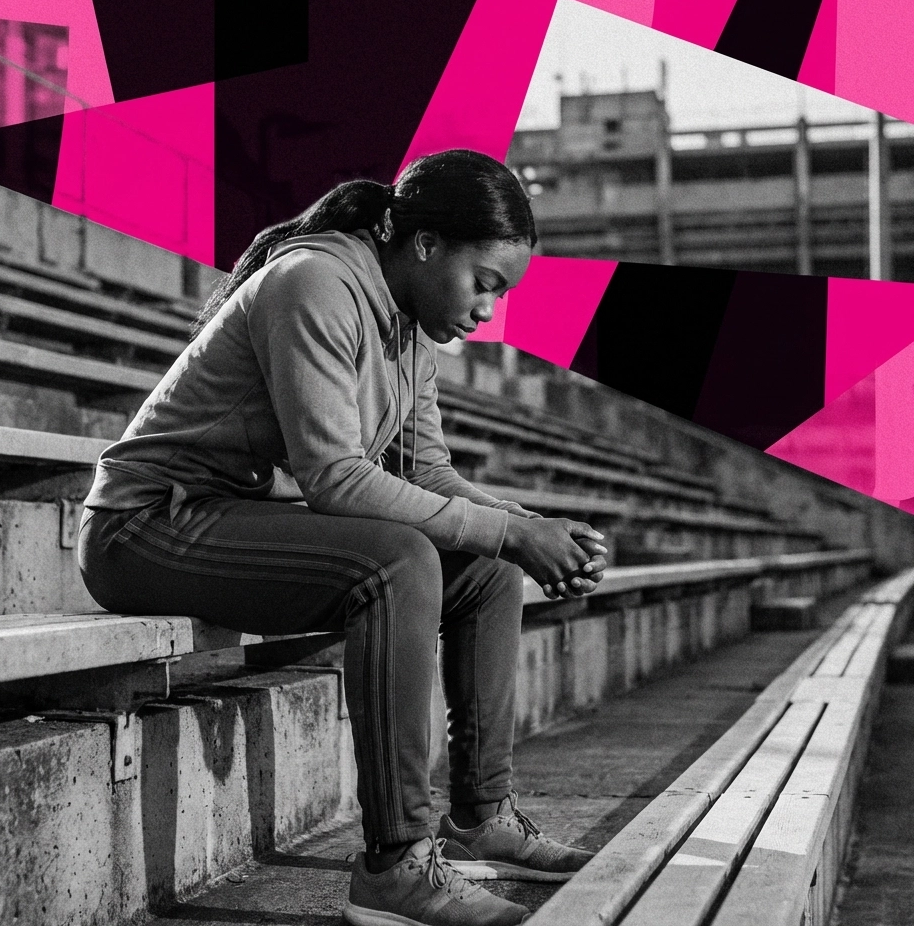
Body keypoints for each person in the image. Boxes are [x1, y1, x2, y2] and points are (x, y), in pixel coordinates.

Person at [78, 148, 607, 926]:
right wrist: (510, 531)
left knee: (488, 570)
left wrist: (525, 531)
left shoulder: (412, 330)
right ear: (424, 244)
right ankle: (396, 865)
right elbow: (334, 478)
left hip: (225, 517)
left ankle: (480, 815)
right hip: (146, 527)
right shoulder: (313, 282)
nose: (489, 310)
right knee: (398, 563)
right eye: (484, 282)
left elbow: (430, 476)